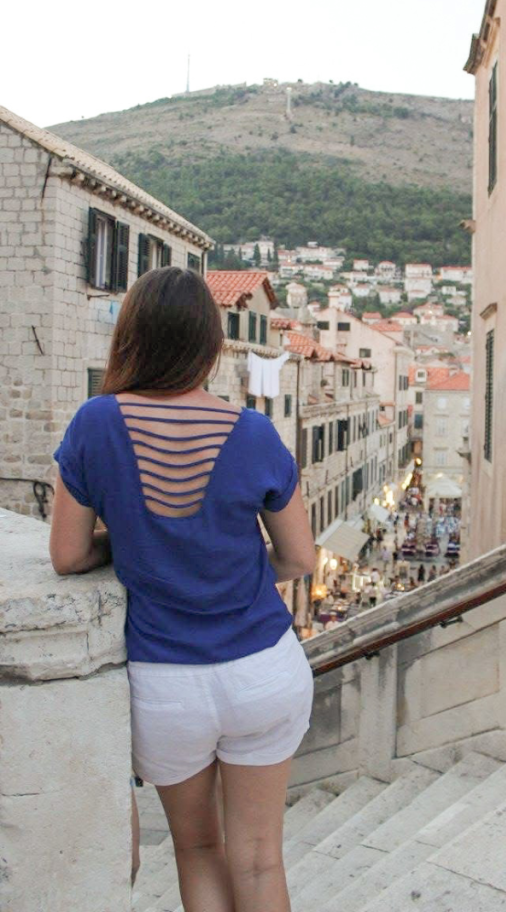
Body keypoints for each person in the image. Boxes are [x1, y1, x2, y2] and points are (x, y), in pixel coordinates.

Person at [49, 267, 316, 912]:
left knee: (198, 851)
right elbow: (300, 558)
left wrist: (140, 547)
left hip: (167, 686)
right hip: (263, 671)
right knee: (260, 861)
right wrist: (240, 566)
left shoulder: (95, 423)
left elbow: (67, 555)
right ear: (210, 342)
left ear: (132, 336)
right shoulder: (252, 432)